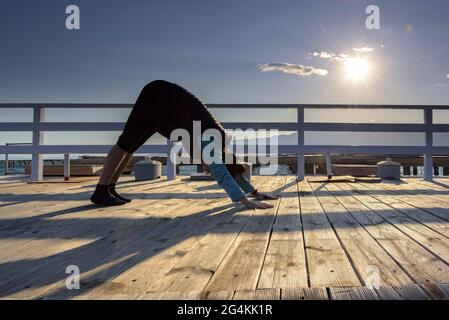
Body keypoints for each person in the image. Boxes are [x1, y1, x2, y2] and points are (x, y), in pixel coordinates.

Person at [90, 80, 278, 209]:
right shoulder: (211, 140)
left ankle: (110, 188)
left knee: (131, 147)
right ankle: (101, 190)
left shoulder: (219, 142)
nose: (208, 171)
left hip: (164, 110)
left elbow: (230, 170)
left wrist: (256, 192)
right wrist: (246, 201)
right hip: (156, 98)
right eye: (209, 168)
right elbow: (222, 173)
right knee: (125, 143)